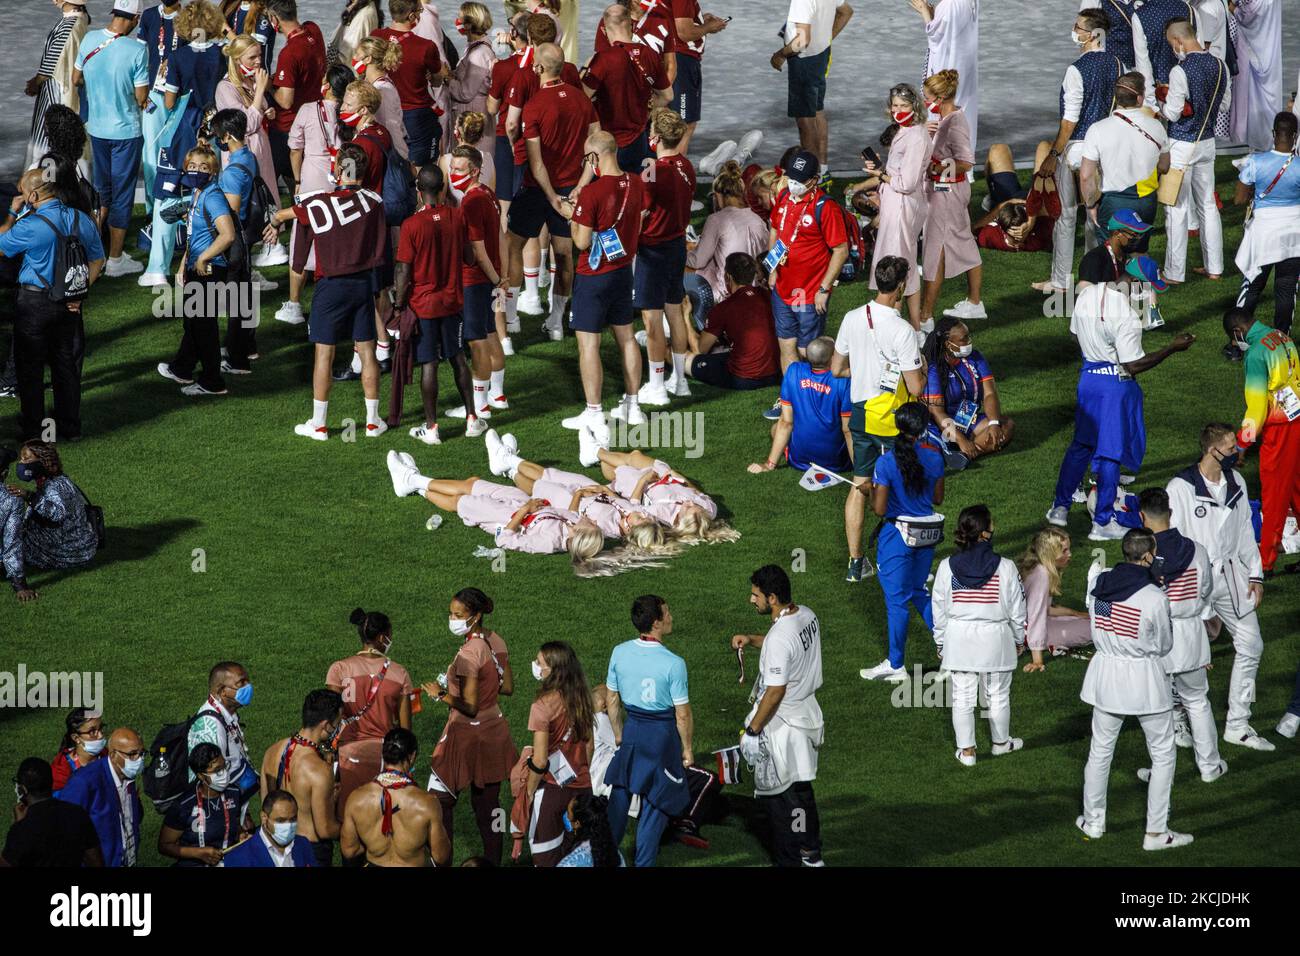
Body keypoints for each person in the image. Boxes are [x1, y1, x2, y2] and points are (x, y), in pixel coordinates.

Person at [1046, 256, 1194, 540]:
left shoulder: (1088, 293)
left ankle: (1060, 507)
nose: (1150, 296)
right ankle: (1102, 523)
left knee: (1081, 445)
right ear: (1136, 284)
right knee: (1110, 454)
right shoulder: (1127, 317)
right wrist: (1172, 348)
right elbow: (1133, 365)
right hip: (1115, 385)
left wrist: (1098, 353)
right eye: (1148, 288)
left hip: (1088, 379)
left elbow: (1074, 335)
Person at [1078, 528, 1193, 851]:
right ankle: (1156, 833)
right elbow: (1164, 644)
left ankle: (1094, 821)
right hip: (1144, 679)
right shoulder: (1155, 597)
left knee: (1100, 751)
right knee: (1163, 754)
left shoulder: (1100, 582)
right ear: (1146, 556)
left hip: (1106, 676)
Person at [265, 143, 389, 440]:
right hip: (362, 284)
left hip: (330, 287)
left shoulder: (318, 203)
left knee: (324, 355)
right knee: (367, 351)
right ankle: (373, 422)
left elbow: (287, 214)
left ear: (337, 169)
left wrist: (274, 221)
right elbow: (381, 252)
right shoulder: (373, 201)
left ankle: (319, 424)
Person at [1167, 422, 1275, 751]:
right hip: (1192, 580)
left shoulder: (1237, 482)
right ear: (1211, 450)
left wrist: (1255, 575)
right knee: (1181, 656)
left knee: (1252, 644)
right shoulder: (1181, 488)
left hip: (1230, 576)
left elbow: (1244, 532)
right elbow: (1173, 540)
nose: (1236, 453)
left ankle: (1238, 724)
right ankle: (1175, 719)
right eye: (1230, 449)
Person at [832, 256, 926, 583]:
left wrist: (864, 370)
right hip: (891, 421)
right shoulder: (902, 330)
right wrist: (923, 368)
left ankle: (856, 564)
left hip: (860, 415)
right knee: (904, 489)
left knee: (861, 486)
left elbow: (836, 369)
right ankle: (903, 562)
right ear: (900, 285)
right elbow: (915, 386)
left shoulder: (851, 317)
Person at [385, 453, 641, 570]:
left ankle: (411, 482)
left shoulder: (549, 542)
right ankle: (414, 482)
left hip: (508, 517)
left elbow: (505, 540)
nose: (589, 520)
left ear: (579, 537)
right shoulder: (576, 526)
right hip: (522, 503)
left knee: (459, 502)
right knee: (474, 482)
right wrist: (575, 497)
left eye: (590, 526)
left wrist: (524, 511)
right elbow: (570, 514)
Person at [0, 164, 105, 441]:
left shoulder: (30, 226)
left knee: (30, 368)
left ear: (33, 196)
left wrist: (12, 211)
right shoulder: (79, 219)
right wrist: (79, 292)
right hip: (68, 304)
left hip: (33, 303)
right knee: (64, 365)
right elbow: (98, 260)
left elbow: (1, 244)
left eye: (23, 193)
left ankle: (35, 430)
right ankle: (69, 428)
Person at [731, 565, 825, 866]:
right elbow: (784, 644)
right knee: (801, 790)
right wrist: (753, 638)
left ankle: (790, 861)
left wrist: (754, 731)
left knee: (779, 803)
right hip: (807, 715)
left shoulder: (780, 638)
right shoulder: (806, 614)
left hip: (784, 727)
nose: (751, 600)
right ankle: (811, 852)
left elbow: (774, 691)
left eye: (755, 595)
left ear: (772, 598)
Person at [1137, 488, 1228, 781]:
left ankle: (1161, 773)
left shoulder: (1142, 555)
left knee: (1159, 708)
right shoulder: (1197, 549)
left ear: (1142, 516)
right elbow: (1206, 591)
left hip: (1156, 639)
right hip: (1190, 635)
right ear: (1171, 513)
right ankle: (1210, 767)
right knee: (1198, 702)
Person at [424, 587, 517, 866]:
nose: (452, 619)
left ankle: (443, 863)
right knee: (488, 807)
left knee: (438, 802)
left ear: (475, 616)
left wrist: (440, 694)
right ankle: (493, 863)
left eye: (458, 614)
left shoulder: (469, 653)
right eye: (451, 613)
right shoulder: (494, 639)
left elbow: (469, 705)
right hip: (494, 729)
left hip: (465, 732)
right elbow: (509, 687)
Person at [1038, 9, 1125, 295]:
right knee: (1095, 217)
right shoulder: (1119, 65)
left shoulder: (1076, 70)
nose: (1074, 30)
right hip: (1106, 149)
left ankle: (1061, 280)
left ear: (1091, 34)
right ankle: (1094, 277)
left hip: (1076, 149)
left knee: (1066, 216)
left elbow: (1070, 120)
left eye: (1078, 26)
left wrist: (1053, 154)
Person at [564, 130, 645, 433]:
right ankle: (633, 406)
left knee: (589, 344)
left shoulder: (592, 193)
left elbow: (582, 242)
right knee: (626, 337)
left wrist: (572, 216)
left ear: (595, 157)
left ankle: (594, 412)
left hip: (593, 276)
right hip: (624, 271)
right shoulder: (635, 182)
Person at [932, 505, 1027, 766]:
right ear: (985, 533)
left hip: (960, 639)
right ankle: (1000, 744)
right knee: (997, 695)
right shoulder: (1005, 567)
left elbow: (938, 610)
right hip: (996, 639)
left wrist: (940, 642)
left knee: (961, 697)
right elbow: (1018, 609)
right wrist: (1019, 639)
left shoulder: (946, 567)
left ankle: (967, 752)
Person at [859, 402, 946, 683]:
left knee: (897, 601)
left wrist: (869, 491)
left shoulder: (885, 463)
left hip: (896, 538)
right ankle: (953, 652)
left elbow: (880, 510)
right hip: (926, 536)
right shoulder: (934, 456)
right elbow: (938, 498)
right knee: (918, 591)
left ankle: (896, 665)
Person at [393, 164, 478, 443]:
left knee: (429, 364)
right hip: (453, 302)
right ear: (442, 188)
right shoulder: (456, 217)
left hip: (424, 306)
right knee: (458, 358)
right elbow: (470, 257)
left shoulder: (411, 225)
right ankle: (472, 418)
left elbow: (404, 271)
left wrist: (398, 304)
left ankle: (432, 428)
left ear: (419, 191)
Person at [603, 596, 691, 867]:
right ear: (656, 622)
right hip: (662, 738)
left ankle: (604, 856)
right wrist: (687, 749)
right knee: (656, 803)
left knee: (619, 797)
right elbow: (682, 714)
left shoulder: (619, 652)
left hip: (632, 732)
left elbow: (612, 699)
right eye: (667, 613)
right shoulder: (674, 663)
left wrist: (619, 733)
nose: (671, 617)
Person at [485, 431, 679, 552]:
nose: (645, 515)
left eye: (642, 520)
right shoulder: (633, 516)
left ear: (629, 530)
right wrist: (607, 491)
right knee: (549, 474)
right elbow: (631, 504)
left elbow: (573, 519)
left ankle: (506, 462)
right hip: (593, 491)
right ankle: (507, 461)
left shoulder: (606, 530)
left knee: (536, 485)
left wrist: (577, 496)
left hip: (570, 502)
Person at [72, 0, 148, 278]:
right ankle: (115, 260)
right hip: (126, 133)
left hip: (97, 130)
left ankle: (96, 253)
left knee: (102, 190)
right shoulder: (138, 49)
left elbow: (76, 78)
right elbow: (141, 98)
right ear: (136, 19)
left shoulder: (90, 38)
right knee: (122, 196)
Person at [765, 149, 847, 402]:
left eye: (799, 179)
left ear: (814, 180)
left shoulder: (826, 208)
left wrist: (824, 289)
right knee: (786, 345)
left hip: (810, 292)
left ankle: (831, 385)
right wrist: (773, 268)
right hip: (783, 288)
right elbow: (775, 231)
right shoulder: (784, 198)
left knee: (807, 350)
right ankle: (789, 398)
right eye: (791, 177)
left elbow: (840, 250)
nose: (793, 183)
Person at [156, 145, 237, 398]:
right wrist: (184, 263)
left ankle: (213, 381)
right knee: (194, 324)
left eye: (203, 167)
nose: (196, 171)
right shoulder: (197, 193)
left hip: (210, 270)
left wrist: (202, 258)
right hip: (197, 268)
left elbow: (228, 234)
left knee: (204, 328)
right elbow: (194, 233)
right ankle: (182, 368)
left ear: (212, 172)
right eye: (192, 167)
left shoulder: (212, 196)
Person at [1226, 309, 1300, 577]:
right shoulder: (1281, 336)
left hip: (1280, 430)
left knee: (1273, 494)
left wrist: (1241, 444)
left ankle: (1265, 564)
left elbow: (1256, 408)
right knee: (1296, 489)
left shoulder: (1256, 353)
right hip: (1298, 419)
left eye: (1235, 341)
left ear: (1238, 332)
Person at [276, 63, 349, 326]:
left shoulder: (308, 110)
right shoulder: (348, 115)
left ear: (328, 85)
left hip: (311, 185)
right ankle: (332, 305)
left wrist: (297, 180)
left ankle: (294, 305)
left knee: (301, 246)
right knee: (334, 246)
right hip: (338, 187)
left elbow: (295, 149)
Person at [325, 608, 413, 817]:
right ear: (383, 637)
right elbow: (405, 729)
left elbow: (329, 717)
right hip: (385, 757)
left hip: (348, 755)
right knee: (383, 820)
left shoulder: (339, 669)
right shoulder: (399, 673)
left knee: (350, 818)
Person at [633, 108, 695, 406]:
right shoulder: (685, 165)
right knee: (674, 311)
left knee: (652, 319)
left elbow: (642, 212)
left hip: (653, 251)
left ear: (655, 137)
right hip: (676, 247)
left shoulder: (651, 168)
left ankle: (657, 386)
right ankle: (680, 381)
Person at [1161, 18, 1229, 284]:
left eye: (1171, 44)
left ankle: (1174, 273)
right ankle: (1215, 268)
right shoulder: (1220, 65)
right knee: (1208, 206)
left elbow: (1174, 114)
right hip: (1207, 144)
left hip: (1181, 146)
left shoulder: (1180, 71)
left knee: (1176, 209)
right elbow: (1223, 106)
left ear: (1178, 41)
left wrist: (1162, 105)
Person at [213, 33, 285, 279]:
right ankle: (243, 271)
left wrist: (268, 108)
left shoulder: (251, 80)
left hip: (259, 154)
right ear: (236, 59)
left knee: (262, 205)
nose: (258, 62)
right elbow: (241, 126)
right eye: (252, 57)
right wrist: (260, 95)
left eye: (259, 56)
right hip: (243, 159)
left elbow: (258, 110)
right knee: (245, 212)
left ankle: (255, 264)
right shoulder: (225, 88)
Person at [444, 143, 508, 420]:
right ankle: (498, 394)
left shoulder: (471, 202)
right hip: (490, 278)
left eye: (459, 169)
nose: (453, 173)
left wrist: (496, 279)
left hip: (475, 280)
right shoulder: (489, 195)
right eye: (451, 168)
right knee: (490, 333)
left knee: (476, 341)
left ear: (475, 171)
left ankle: (479, 404)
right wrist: (503, 276)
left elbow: (478, 249)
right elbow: (502, 237)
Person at [1078, 73, 1169, 257]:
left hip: (1113, 202)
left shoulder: (1097, 129)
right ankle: (1139, 285)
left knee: (1111, 254)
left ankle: (1113, 285)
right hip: (1146, 200)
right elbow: (1165, 166)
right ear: (1140, 98)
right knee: (1139, 252)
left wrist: (1091, 205)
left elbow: (1086, 175)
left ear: (1116, 97)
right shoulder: (1157, 127)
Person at [919, 69, 983, 327]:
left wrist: (936, 169)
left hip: (947, 193)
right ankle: (975, 302)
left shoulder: (954, 122)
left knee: (935, 253)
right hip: (947, 192)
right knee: (963, 242)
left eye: (927, 97)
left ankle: (925, 317)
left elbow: (966, 163)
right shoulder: (945, 118)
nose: (925, 102)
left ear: (941, 96)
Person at [0, 441, 98, 603]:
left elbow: (57, 514)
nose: (21, 464)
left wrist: (30, 497)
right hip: (80, 545)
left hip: (66, 552)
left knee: (12, 542)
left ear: (42, 462)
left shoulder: (53, 487)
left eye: (26, 459)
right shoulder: (60, 480)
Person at [865, 85, 930, 329]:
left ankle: (893, 327)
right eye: (895, 106)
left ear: (915, 106)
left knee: (896, 268)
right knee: (907, 267)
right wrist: (882, 171)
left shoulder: (915, 136)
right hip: (900, 206)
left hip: (903, 207)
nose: (898, 110)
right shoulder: (908, 130)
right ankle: (914, 328)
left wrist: (882, 176)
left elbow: (906, 182)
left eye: (904, 105)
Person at [524, 641, 594, 866]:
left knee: (545, 856)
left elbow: (540, 760)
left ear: (553, 670)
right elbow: (589, 746)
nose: (535, 666)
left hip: (552, 788)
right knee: (580, 853)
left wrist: (529, 790)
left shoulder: (542, 706)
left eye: (539, 663)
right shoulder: (582, 697)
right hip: (583, 786)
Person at [1232, 111, 1300, 335]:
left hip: (1263, 235)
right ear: (1295, 136)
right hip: (1293, 236)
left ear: (1273, 134)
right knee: (1286, 290)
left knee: (1251, 287)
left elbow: (1239, 199)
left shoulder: (1255, 161)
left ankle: (1238, 342)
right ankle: (1282, 340)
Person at [341, 728, 450, 866]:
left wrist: (374, 847)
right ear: (412, 756)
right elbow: (441, 855)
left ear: (383, 755)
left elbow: (349, 850)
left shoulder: (356, 799)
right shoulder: (427, 804)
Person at [259, 689, 343, 866]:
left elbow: (266, 805)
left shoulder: (272, 751)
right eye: (338, 723)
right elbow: (325, 829)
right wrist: (354, 830)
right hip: (310, 853)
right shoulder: (320, 770)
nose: (339, 728)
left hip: (275, 849)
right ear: (327, 725)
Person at [584, 4, 671, 175]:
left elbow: (582, 99)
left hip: (608, 143)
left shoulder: (602, 60)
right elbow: (667, 95)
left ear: (604, 29)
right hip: (639, 139)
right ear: (631, 25)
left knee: (609, 193)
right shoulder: (650, 55)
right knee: (639, 191)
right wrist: (645, 113)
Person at [585, 447, 738, 544]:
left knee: (618, 470)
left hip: (641, 484)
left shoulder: (662, 515)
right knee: (634, 456)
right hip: (664, 475)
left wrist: (642, 480)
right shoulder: (709, 509)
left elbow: (634, 506)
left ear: (680, 521)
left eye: (688, 508)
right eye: (695, 506)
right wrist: (678, 477)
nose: (690, 503)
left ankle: (595, 451)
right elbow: (695, 491)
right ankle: (597, 452)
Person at [771, 0, 852, 177]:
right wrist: (825, 39)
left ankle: (812, 176)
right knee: (817, 111)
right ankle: (822, 169)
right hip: (821, 54)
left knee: (805, 120)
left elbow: (801, 41)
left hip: (803, 61)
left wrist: (779, 55)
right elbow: (846, 12)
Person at [749, 335, 851, 474]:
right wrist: (861, 472)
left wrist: (769, 465)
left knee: (776, 428)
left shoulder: (793, 371)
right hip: (836, 462)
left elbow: (786, 422)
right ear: (833, 358)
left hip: (799, 460)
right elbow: (848, 430)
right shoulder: (844, 380)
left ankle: (775, 461)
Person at [684, 160, 768, 329]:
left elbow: (698, 260)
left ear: (720, 195)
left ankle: (702, 324)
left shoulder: (716, 219)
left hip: (729, 292)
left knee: (682, 268)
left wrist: (681, 252)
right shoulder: (758, 219)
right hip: (759, 291)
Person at [920, 318, 1012, 469]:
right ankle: (958, 448)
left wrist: (994, 423)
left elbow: (989, 393)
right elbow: (937, 413)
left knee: (1006, 425)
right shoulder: (933, 367)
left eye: (968, 336)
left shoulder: (976, 357)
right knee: (930, 450)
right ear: (948, 344)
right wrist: (961, 440)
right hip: (941, 424)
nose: (969, 341)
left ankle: (964, 455)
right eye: (964, 339)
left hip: (968, 420)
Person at [210, 108, 261, 376]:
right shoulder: (249, 157)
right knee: (241, 295)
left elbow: (231, 212)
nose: (216, 139)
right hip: (247, 236)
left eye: (218, 135)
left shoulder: (232, 172)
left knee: (235, 299)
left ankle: (237, 357)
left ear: (227, 136)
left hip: (234, 240)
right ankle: (245, 347)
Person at [683, 252, 780, 392]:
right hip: (775, 373)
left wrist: (685, 316)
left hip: (744, 378)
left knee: (678, 355)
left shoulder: (723, 308)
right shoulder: (769, 295)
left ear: (728, 276)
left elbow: (700, 349)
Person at [57, 726, 146, 867]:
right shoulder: (83, 782)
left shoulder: (129, 776)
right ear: (113, 755)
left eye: (142, 753)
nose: (139, 759)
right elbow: (65, 832)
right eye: (132, 754)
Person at [374, 0, 446, 167]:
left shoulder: (375, 37)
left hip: (382, 110)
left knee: (387, 165)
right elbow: (437, 80)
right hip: (416, 115)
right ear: (411, 15)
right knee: (421, 169)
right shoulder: (426, 46)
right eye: (419, 11)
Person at [26, 0, 92, 172]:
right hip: (67, 89)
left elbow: (52, 62)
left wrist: (36, 82)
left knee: (50, 141)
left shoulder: (70, 25)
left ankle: (47, 186)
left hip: (57, 92)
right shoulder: (80, 19)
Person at [159, 743, 250, 866]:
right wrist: (198, 853)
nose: (223, 773)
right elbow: (164, 845)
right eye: (217, 771)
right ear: (201, 776)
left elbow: (235, 826)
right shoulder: (184, 805)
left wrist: (240, 835)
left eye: (224, 766)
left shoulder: (234, 793)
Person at [3, 757, 102, 867]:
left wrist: (17, 826)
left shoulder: (23, 828)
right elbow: (95, 861)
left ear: (23, 789)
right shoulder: (78, 814)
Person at [1018, 527, 1092, 672]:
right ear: (1050, 554)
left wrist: (1075, 613)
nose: (1069, 554)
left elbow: (1044, 609)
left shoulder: (1038, 568)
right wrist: (1037, 660)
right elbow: (1036, 617)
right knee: (1092, 629)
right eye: (1064, 551)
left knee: (1084, 621)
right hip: (1027, 632)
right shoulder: (1042, 575)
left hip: (1025, 627)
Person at [913, 0, 978, 146]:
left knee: (946, 111)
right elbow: (951, 28)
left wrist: (925, 12)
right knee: (961, 110)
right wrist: (935, 16)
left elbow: (937, 38)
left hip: (947, 66)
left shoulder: (948, 4)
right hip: (962, 65)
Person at [666, 0, 727, 155]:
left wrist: (698, 21)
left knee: (669, 121)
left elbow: (673, 19)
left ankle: (662, 170)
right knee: (683, 124)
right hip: (682, 60)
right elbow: (684, 32)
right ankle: (675, 171)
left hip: (670, 56)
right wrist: (708, 27)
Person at [1229, 0, 1282, 151]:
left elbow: (1248, 14)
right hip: (1267, 45)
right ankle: (1272, 142)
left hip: (1253, 49)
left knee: (1252, 97)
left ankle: (1261, 143)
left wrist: (1233, 8)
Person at [351, 36, 413, 165]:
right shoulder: (372, 84)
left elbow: (391, 128)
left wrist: (403, 161)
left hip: (388, 158)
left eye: (357, 54)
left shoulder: (383, 91)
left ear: (368, 59)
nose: (354, 57)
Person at [446, 3, 496, 156]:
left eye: (460, 18)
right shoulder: (475, 48)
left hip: (473, 113)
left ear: (468, 24)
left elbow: (465, 93)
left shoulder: (479, 54)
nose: (457, 22)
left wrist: (446, 77)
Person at [223, 789, 317, 866]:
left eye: (293, 819)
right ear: (264, 818)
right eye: (280, 820)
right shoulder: (238, 857)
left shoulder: (303, 844)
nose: (288, 825)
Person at [1076, 209, 1149, 286]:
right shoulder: (1093, 260)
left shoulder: (1124, 255)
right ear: (1117, 233)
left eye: (1139, 235)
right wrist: (1122, 281)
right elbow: (1086, 294)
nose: (1138, 238)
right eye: (1133, 235)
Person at [555, 792, 623, 866]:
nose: (566, 816)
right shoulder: (614, 852)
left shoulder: (571, 862)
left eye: (568, 813)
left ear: (577, 824)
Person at [51, 708, 105, 797]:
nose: (100, 735)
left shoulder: (107, 755)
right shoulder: (61, 769)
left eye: (101, 728)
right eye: (92, 732)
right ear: (76, 738)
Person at [330, 0, 383, 67]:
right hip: (346, 69)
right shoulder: (362, 7)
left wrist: (329, 73)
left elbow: (347, 52)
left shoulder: (364, 15)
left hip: (346, 72)